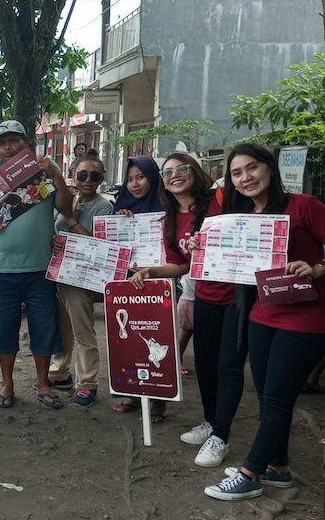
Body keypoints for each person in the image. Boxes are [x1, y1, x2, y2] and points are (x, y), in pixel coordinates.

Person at [204, 144, 325, 500]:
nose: (246, 177)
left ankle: (250, 472)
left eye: (252, 168)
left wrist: (317, 267)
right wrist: (203, 247)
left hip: (305, 318)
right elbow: (226, 261)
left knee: (277, 399)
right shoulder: (240, 218)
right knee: (268, 397)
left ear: (270, 169)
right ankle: (278, 467)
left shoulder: (305, 206)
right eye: (237, 173)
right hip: (261, 315)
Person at [129, 154, 244, 466]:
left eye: (181, 169)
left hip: (239, 295)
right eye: (167, 172)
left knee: (228, 365)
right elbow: (180, 265)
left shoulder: (219, 199)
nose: (174, 175)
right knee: (205, 364)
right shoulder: (169, 218)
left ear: (194, 171)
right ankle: (211, 422)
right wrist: (150, 270)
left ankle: (221, 436)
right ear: (163, 181)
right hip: (205, 296)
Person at [0, 120, 73, 410]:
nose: (8, 147)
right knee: (4, 331)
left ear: (26, 142)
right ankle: (7, 383)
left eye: (14, 141)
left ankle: (43, 384)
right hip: (1, 270)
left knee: (43, 328)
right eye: (2, 143)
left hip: (40, 268)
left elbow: (66, 208)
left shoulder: (43, 175)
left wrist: (57, 176)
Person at [48, 156, 113, 407]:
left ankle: (87, 383)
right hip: (61, 276)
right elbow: (57, 232)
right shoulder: (69, 200)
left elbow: (100, 248)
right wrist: (56, 241)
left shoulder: (103, 207)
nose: (88, 180)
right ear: (72, 175)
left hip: (82, 280)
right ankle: (60, 372)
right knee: (63, 330)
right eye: (83, 175)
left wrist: (72, 222)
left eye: (94, 176)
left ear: (101, 179)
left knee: (83, 331)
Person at [110, 154, 167, 422]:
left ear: (153, 177)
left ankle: (159, 400)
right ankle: (134, 392)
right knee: (130, 338)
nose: (134, 184)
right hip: (126, 283)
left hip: (157, 283)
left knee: (158, 337)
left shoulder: (166, 207)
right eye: (130, 179)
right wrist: (121, 221)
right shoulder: (121, 207)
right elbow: (111, 245)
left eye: (141, 177)